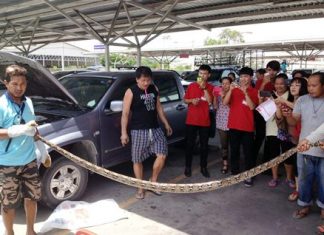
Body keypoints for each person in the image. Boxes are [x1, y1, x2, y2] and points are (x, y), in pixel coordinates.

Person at [120, 66, 172, 199]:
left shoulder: (154, 89)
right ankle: (140, 187)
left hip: (155, 128)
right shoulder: (131, 92)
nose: (145, 83)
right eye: (143, 80)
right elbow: (125, 113)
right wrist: (124, 133)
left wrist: (166, 124)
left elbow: (159, 108)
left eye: (148, 80)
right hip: (138, 131)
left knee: (162, 154)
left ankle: (153, 181)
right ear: (137, 79)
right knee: (137, 160)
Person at [0, 65, 40, 235]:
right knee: (8, 205)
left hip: (29, 161)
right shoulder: (1, 105)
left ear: (26, 84)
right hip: (7, 164)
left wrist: (41, 148)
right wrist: (17, 130)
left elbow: (33, 129)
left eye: (22, 83)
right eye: (14, 84)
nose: (19, 88)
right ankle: (10, 233)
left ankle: (31, 231)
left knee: (32, 199)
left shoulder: (28, 102)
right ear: (5, 83)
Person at [284, 72, 324, 220]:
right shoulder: (302, 100)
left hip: (322, 150)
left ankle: (323, 208)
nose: (310, 88)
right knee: (304, 181)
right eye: (308, 85)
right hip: (304, 149)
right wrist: (288, 114)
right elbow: (293, 122)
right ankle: (304, 205)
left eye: (314, 85)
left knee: (323, 182)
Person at [223, 66, 259, 187]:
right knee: (234, 151)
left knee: (248, 152)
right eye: (242, 76)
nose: (243, 79)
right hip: (233, 126)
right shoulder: (234, 90)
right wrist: (230, 90)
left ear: (251, 77)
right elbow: (224, 102)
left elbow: (252, 107)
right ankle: (235, 173)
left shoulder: (254, 91)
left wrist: (245, 93)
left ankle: (249, 175)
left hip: (247, 127)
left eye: (246, 76)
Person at [264, 74, 295, 188]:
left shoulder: (291, 96)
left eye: (281, 83)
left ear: (287, 84)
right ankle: (274, 178)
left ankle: (289, 178)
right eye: (276, 84)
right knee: (274, 154)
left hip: (286, 129)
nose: (279, 86)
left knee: (288, 154)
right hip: (271, 128)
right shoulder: (270, 95)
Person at [183, 64, 214, 178]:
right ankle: (187, 167)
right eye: (200, 73)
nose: (202, 75)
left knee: (204, 146)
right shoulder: (191, 86)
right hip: (191, 120)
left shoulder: (211, 87)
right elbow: (185, 100)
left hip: (204, 121)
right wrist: (192, 100)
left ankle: (203, 167)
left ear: (208, 75)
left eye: (204, 74)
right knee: (189, 145)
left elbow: (210, 101)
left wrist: (204, 88)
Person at [213, 77, 232, 174]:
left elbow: (231, 106)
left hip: (233, 122)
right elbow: (215, 107)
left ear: (231, 84)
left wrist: (224, 96)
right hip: (221, 121)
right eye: (223, 83)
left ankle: (234, 163)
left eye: (227, 83)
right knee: (224, 145)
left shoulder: (234, 93)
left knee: (233, 145)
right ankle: (225, 164)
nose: (224, 85)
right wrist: (215, 96)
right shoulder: (219, 93)